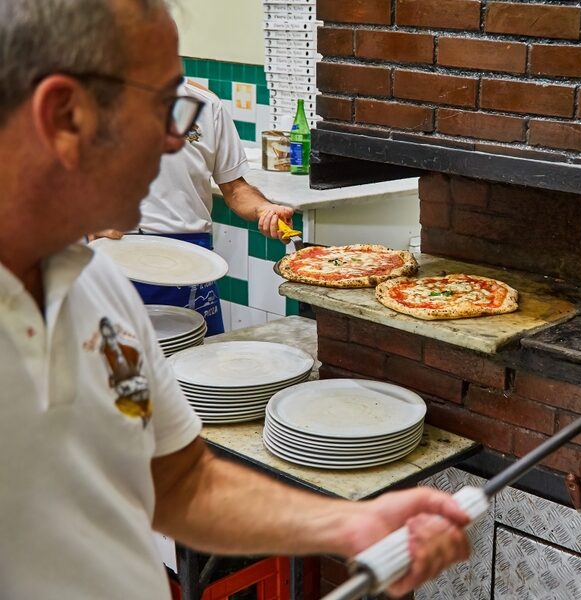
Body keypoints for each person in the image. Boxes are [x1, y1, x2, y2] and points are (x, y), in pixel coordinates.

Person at [0, 1, 470, 599]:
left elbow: (180, 484)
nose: (179, 138)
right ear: (64, 115)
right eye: (167, 106)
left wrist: (351, 524)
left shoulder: (98, 289)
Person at [95, 80, 293, 335]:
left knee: (198, 365)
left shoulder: (204, 105)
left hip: (189, 263)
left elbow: (235, 188)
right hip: (111, 258)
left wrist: (264, 209)